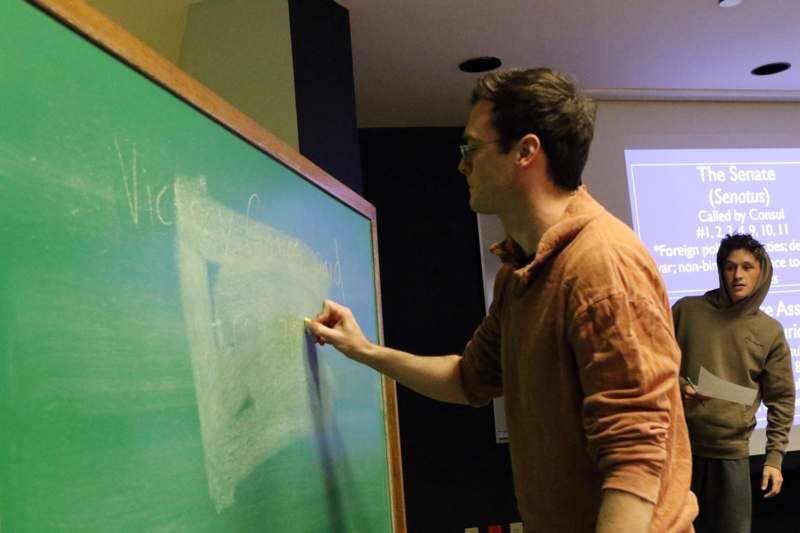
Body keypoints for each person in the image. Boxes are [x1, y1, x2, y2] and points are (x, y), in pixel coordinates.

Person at [305, 68, 697, 532]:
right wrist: (364, 351)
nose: (462, 165)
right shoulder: (520, 274)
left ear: (526, 152)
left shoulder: (601, 266)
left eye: (471, 148)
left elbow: (636, 460)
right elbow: (467, 379)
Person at [673, 233, 795, 533]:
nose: (737, 275)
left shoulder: (770, 331)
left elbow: (781, 399)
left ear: (761, 271)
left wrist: (774, 459)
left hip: (731, 456)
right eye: (730, 267)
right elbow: (653, 362)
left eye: (747, 267)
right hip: (680, 452)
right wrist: (678, 385)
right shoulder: (687, 311)